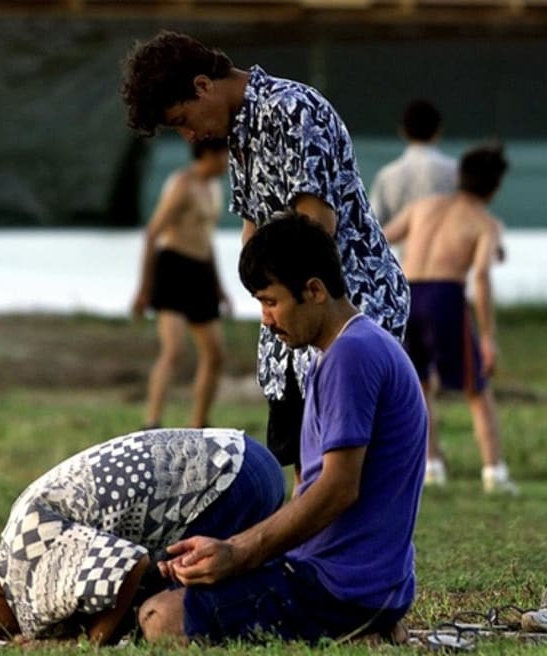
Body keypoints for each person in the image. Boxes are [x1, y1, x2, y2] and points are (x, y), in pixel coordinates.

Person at [120, 31, 409, 471]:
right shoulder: (238, 130)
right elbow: (252, 224)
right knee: (299, 461)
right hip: (291, 312)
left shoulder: (290, 110)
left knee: (344, 466)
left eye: (183, 119)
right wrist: (266, 297)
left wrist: (271, 290)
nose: (190, 136)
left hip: (344, 306)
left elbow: (315, 229)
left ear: (203, 85)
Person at [135, 215, 427, 645]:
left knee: (159, 616)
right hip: (347, 580)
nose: (266, 320)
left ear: (314, 290)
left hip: (344, 590)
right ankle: (370, 627)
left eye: (271, 302)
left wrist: (239, 554)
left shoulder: (352, 356)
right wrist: (233, 550)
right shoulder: (338, 351)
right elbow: (311, 490)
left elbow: (338, 489)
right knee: (174, 585)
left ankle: (359, 628)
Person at [0, 428, 285, 644]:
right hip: (241, 457)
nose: (7, 635)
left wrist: (86, 645)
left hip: (230, 481)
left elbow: (130, 565)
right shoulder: (19, 539)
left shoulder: (27, 566)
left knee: (168, 620)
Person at [384, 145, 517, 494]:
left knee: (420, 384)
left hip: (406, 293)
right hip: (445, 296)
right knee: (477, 389)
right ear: (496, 188)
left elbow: (381, 239)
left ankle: (431, 466)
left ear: (459, 176)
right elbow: (483, 278)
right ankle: (494, 472)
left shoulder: (422, 207)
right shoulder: (485, 224)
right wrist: (488, 336)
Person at [131, 137, 230, 430]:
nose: (227, 162)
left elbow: (206, 240)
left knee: (215, 355)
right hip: (173, 268)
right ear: (208, 155)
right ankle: (152, 421)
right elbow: (152, 234)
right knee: (174, 350)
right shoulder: (182, 185)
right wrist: (144, 289)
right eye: (224, 155)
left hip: (200, 271)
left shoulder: (213, 188)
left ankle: (199, 424)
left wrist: (219, 287)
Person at [369, 99, 457, 227]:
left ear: (402, 131)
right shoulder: (456, 172)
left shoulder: (387, 175)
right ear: (439, 130)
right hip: (446, 246)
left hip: (398, 245)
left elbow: (374, 224)